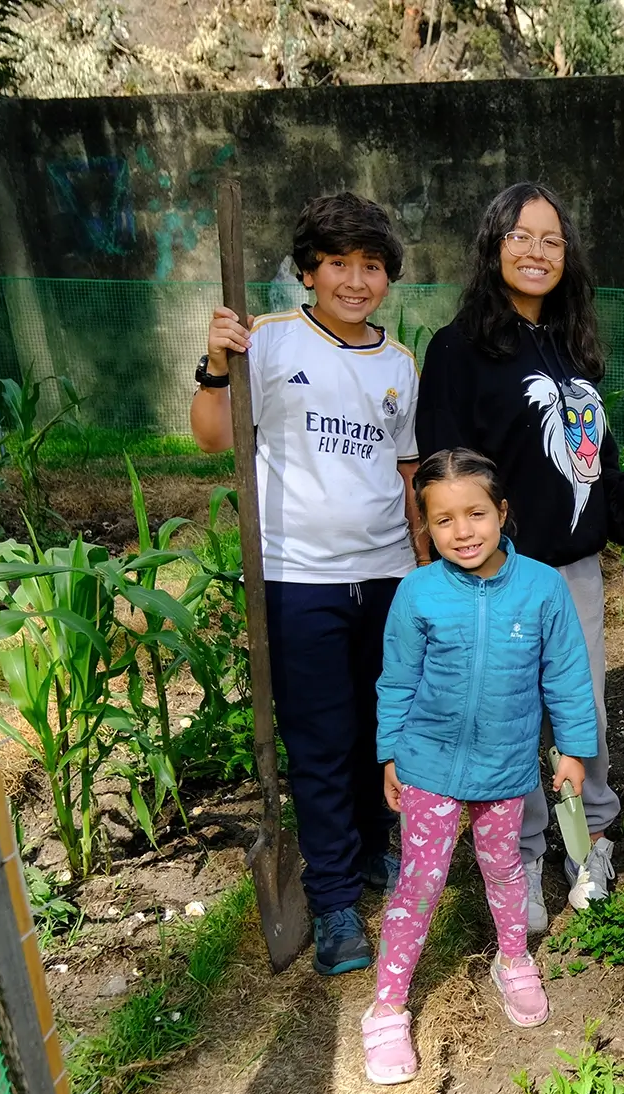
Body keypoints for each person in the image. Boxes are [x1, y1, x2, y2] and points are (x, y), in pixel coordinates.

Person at [416, 181, 624, 931]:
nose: (536, 252)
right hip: (500, 577)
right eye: (520, 237)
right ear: (494, 247)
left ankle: (591, 836)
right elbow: (443, 470)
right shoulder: (459, 349)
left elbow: (593, 461)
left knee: (582, 709)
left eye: (551, 240)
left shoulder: (569, 346)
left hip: (575, 573)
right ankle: (521, 857)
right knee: (509, 720)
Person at [191, 191, 423, 978]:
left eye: (372, 266)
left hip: (387, 573)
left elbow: (406, 471)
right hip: (298, 579)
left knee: (377, 731)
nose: (356, 281)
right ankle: (330, 902)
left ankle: (367, 854)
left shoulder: (398, 363)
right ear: (308, 272)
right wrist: (215, 366)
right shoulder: (268, 342)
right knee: (321, 743)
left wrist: (425, 570)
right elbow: (213, 437)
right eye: (338, 265)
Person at [363, 449, 597, 1083]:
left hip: (504, 768)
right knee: (419, 883)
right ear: (426, 528)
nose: (462, 532)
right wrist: (390, 752)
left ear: (502, 512)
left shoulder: (543, 587)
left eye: (475, 514)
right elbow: (396, 681)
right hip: (428, 767)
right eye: (443, 521)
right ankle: (386, 1008)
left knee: (505, 870)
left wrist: (574, 750)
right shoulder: (418, 593)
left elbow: (568, 677)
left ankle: (513, 959)